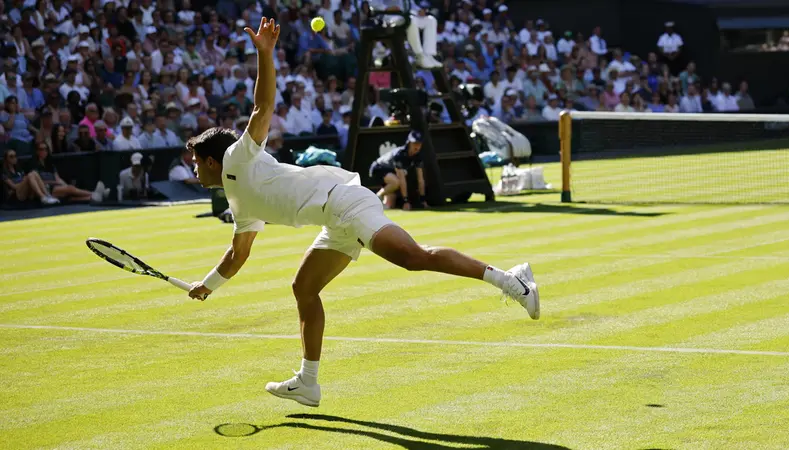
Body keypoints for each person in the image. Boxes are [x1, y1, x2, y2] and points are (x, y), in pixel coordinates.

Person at [185, 18, 539, 409]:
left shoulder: (237, 156)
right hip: (333, 219)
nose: (194, 170)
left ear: (212, 161)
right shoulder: (239, 199)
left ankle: (511, 280)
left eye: (196, 162)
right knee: (304, 288)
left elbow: (262, 107)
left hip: (346, 203)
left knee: (413, 257)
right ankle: (308, 383)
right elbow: (238, 255)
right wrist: (207, 285)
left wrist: (265, 54)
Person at [27, 142, 108, 202]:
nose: (44, 151)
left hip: (55, 186)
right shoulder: (33, 165)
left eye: (46, 149)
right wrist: (57, 183)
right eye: (41, 149)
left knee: (71, 195)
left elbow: (58, 179)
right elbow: (36, 181)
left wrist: (65, 185)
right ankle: (95, 193)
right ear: (37, 151)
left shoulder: (50, 165)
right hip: (46, 188)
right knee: (70, 189)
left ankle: (95, 197)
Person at [369, 130, 427, 210]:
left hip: (390, 173)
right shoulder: (400, 155)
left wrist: (423, 200)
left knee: (390, 206)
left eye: (419, 144)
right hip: (378, 169)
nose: (417, 147)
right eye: (415, 143)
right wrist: (406, 201)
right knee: (396, 182)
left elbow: (421, 180)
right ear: (409, 143)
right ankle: (377, 197)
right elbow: (401, 179)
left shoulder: (418, 156)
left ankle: (377, 204)